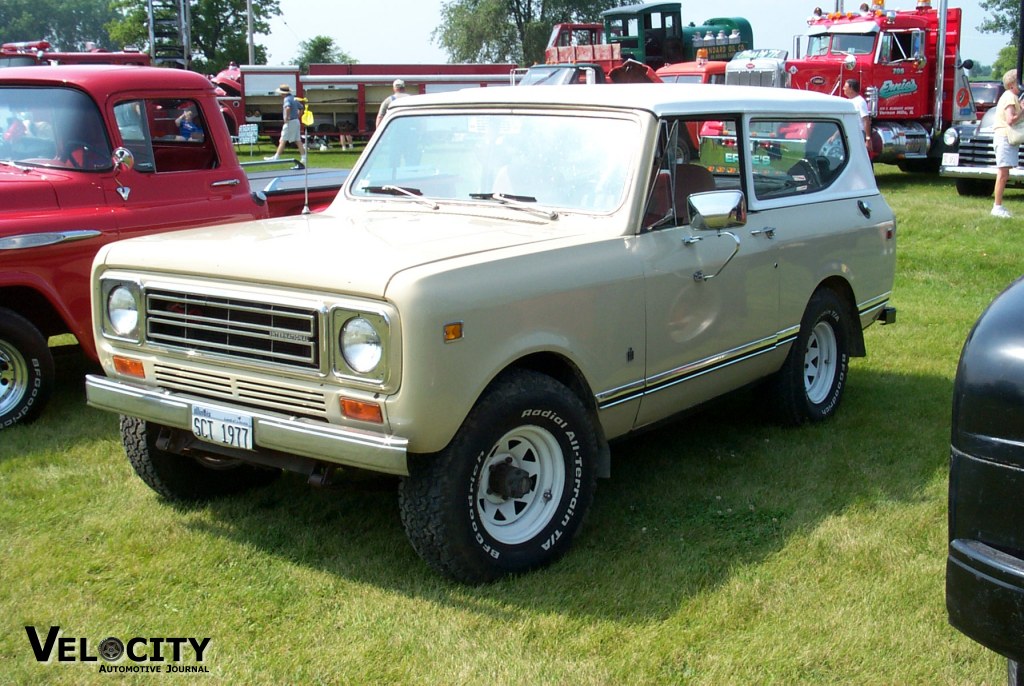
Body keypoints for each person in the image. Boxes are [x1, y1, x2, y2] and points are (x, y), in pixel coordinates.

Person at [992, 69, 1022, 218]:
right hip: (1004, 137)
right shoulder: (1010, 97)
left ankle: (998, 206)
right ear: (1011, 85)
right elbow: (1010, 119)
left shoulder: (1010, 96)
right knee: (1003, 174)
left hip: (1004, 138)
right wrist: (1022, 109)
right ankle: (997, 207)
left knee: (1004, 173)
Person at [264, 84, 307, 169]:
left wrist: (286, 118)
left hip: (290, 122)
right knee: (297, 140)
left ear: (283, 93)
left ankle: (276, 157)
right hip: (296, 121)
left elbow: (287, 108)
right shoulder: (293, 98)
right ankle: (304, 157)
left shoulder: (286, 99)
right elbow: (302, 107)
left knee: (283, 139)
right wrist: (298, 116)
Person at [843, 78, 871, 146]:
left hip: (858, 133)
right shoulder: (849, 101)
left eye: (845, 87)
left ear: (851, 88)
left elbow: (866, 120)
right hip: (849, 132)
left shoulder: (860, 102)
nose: (843, 89)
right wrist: (834, 136)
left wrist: (868, 139)